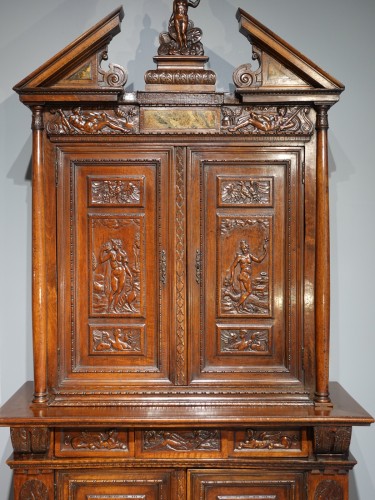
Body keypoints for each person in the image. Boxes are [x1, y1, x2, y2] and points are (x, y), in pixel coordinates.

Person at [228, 239, 268, 309]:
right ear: (241, 249)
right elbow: (232, 266)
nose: (244, 249)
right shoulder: (239, 257)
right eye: (243, 248)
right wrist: (231, 277)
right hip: (244, 275)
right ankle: (237, 305)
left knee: (243, 292)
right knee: (249, 291)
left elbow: (259, 260)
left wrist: (265, 251)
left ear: (248, 248)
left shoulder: (250, 255)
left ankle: (243, 307)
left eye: (246, 248)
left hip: (244, 275)